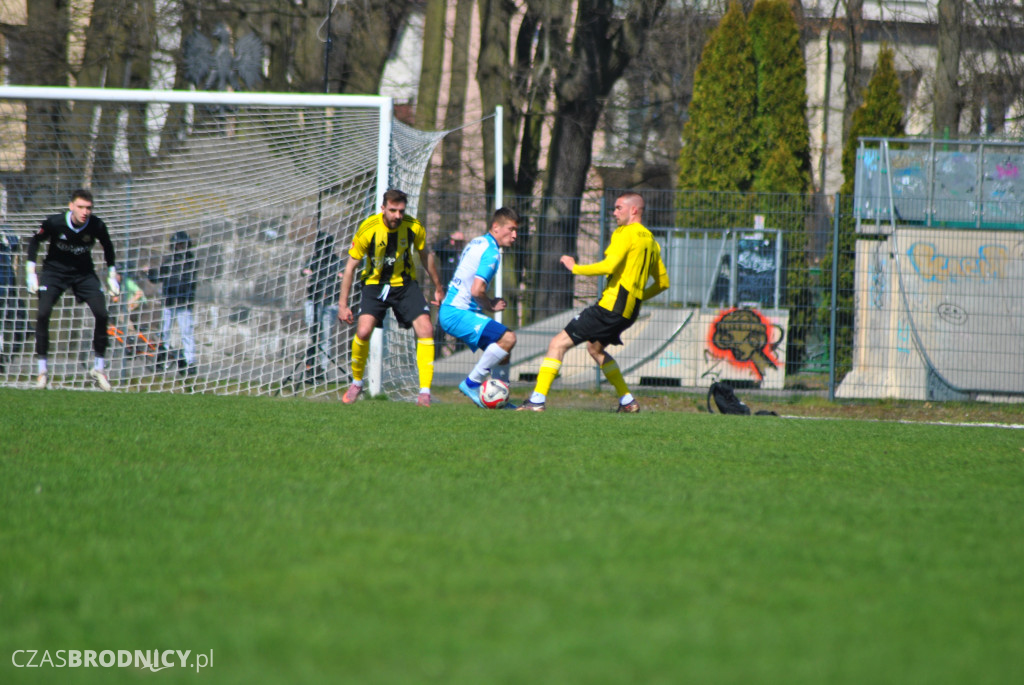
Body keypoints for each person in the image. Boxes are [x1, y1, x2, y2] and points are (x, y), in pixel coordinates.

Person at [518, 191, 670, 413]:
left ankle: (536, 401)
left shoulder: (626, 233)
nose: (614, 212)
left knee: (557, 344)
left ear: (634, 210)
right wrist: (638, 297)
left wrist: (575, 268)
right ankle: (628, 402)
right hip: (630, 312)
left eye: (619, 208)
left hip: (610, 307)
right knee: (595, 349)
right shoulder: (651, 240)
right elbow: (663, 283)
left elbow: (609, 266)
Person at [338, 189, 444, 407]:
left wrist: (438, 287)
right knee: (363, 331)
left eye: (401, 211)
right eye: (393, 210)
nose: (397, 215)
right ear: (383, 208)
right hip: (375, 285)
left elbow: (426, 255)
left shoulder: (414, 227)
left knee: (426, 328)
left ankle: (424, 392)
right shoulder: (368, 229)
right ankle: (357, 382)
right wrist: (343, 305)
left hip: (405, 285)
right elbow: (350, 268)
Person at [25, 188, 120, 391]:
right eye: (80, 207)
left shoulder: (96, 225)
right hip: (54, 273)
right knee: (42, 313)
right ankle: (42, 371)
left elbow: (108, 247)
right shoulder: (55, 222)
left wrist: (112, 275)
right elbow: (35, 241)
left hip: (84, 274)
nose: (85, 211)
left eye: (88, 208)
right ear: (71, 206)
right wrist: (30, 272)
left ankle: (99, 368)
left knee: (102, 314)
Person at [438, 207, 519, 408]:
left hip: (453, 309)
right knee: (508, 338)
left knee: (503, 349)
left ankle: (499, 395)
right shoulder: (491, 253)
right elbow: (476, 290)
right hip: (458, 312)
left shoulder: (478, 241)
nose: (515, 235)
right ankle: (471, 383)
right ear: (496, 227)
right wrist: (490, 304)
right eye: (511, 229)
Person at [149, 230, 197, 376]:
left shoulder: (191, 262)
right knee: (164, 332)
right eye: (178, 245)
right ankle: (163, 359)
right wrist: (150, 273)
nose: (180, 247)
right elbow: (158, 279)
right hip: (169, 302)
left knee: (186, 333)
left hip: (183, 304)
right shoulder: (169, 262)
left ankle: (190, 362)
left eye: (183, 244)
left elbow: (188, 281)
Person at [302, 231, 343, 384]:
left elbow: (342, 274)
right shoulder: (314, 260)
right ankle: (310, 367)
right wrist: (309, 273)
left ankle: (323, 368)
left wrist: (338, 277)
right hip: (313, 302)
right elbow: (305, 271)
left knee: (325, 336)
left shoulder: (336, 262)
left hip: (329, 302)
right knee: (314, 335)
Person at [432, 230, 466, 356]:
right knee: (441, 326)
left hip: (461, 297)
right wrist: (448, 238)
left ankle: (460, 354)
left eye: (460, 242)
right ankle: (435, 355)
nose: (458, 244)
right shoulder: (447, 254)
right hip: (446, 295)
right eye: (456, 242)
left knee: (461, 326)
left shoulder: (465, 256)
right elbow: (436, 249)